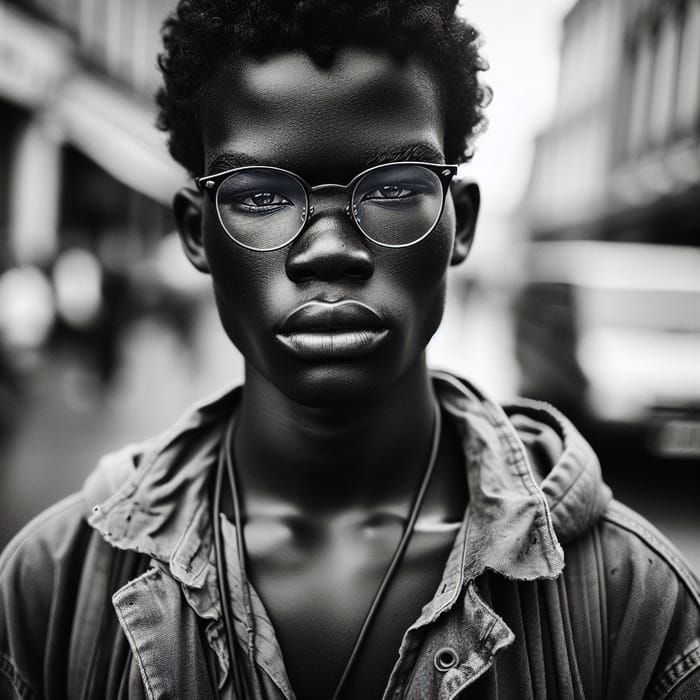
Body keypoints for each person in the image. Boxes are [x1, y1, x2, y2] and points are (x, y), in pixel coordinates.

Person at [1, 1, 699, 698]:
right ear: (194, 232)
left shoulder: (638, 607)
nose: (329, 251)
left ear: (462, 225)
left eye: (396, 187)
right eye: (261, 194)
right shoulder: (47, 589)